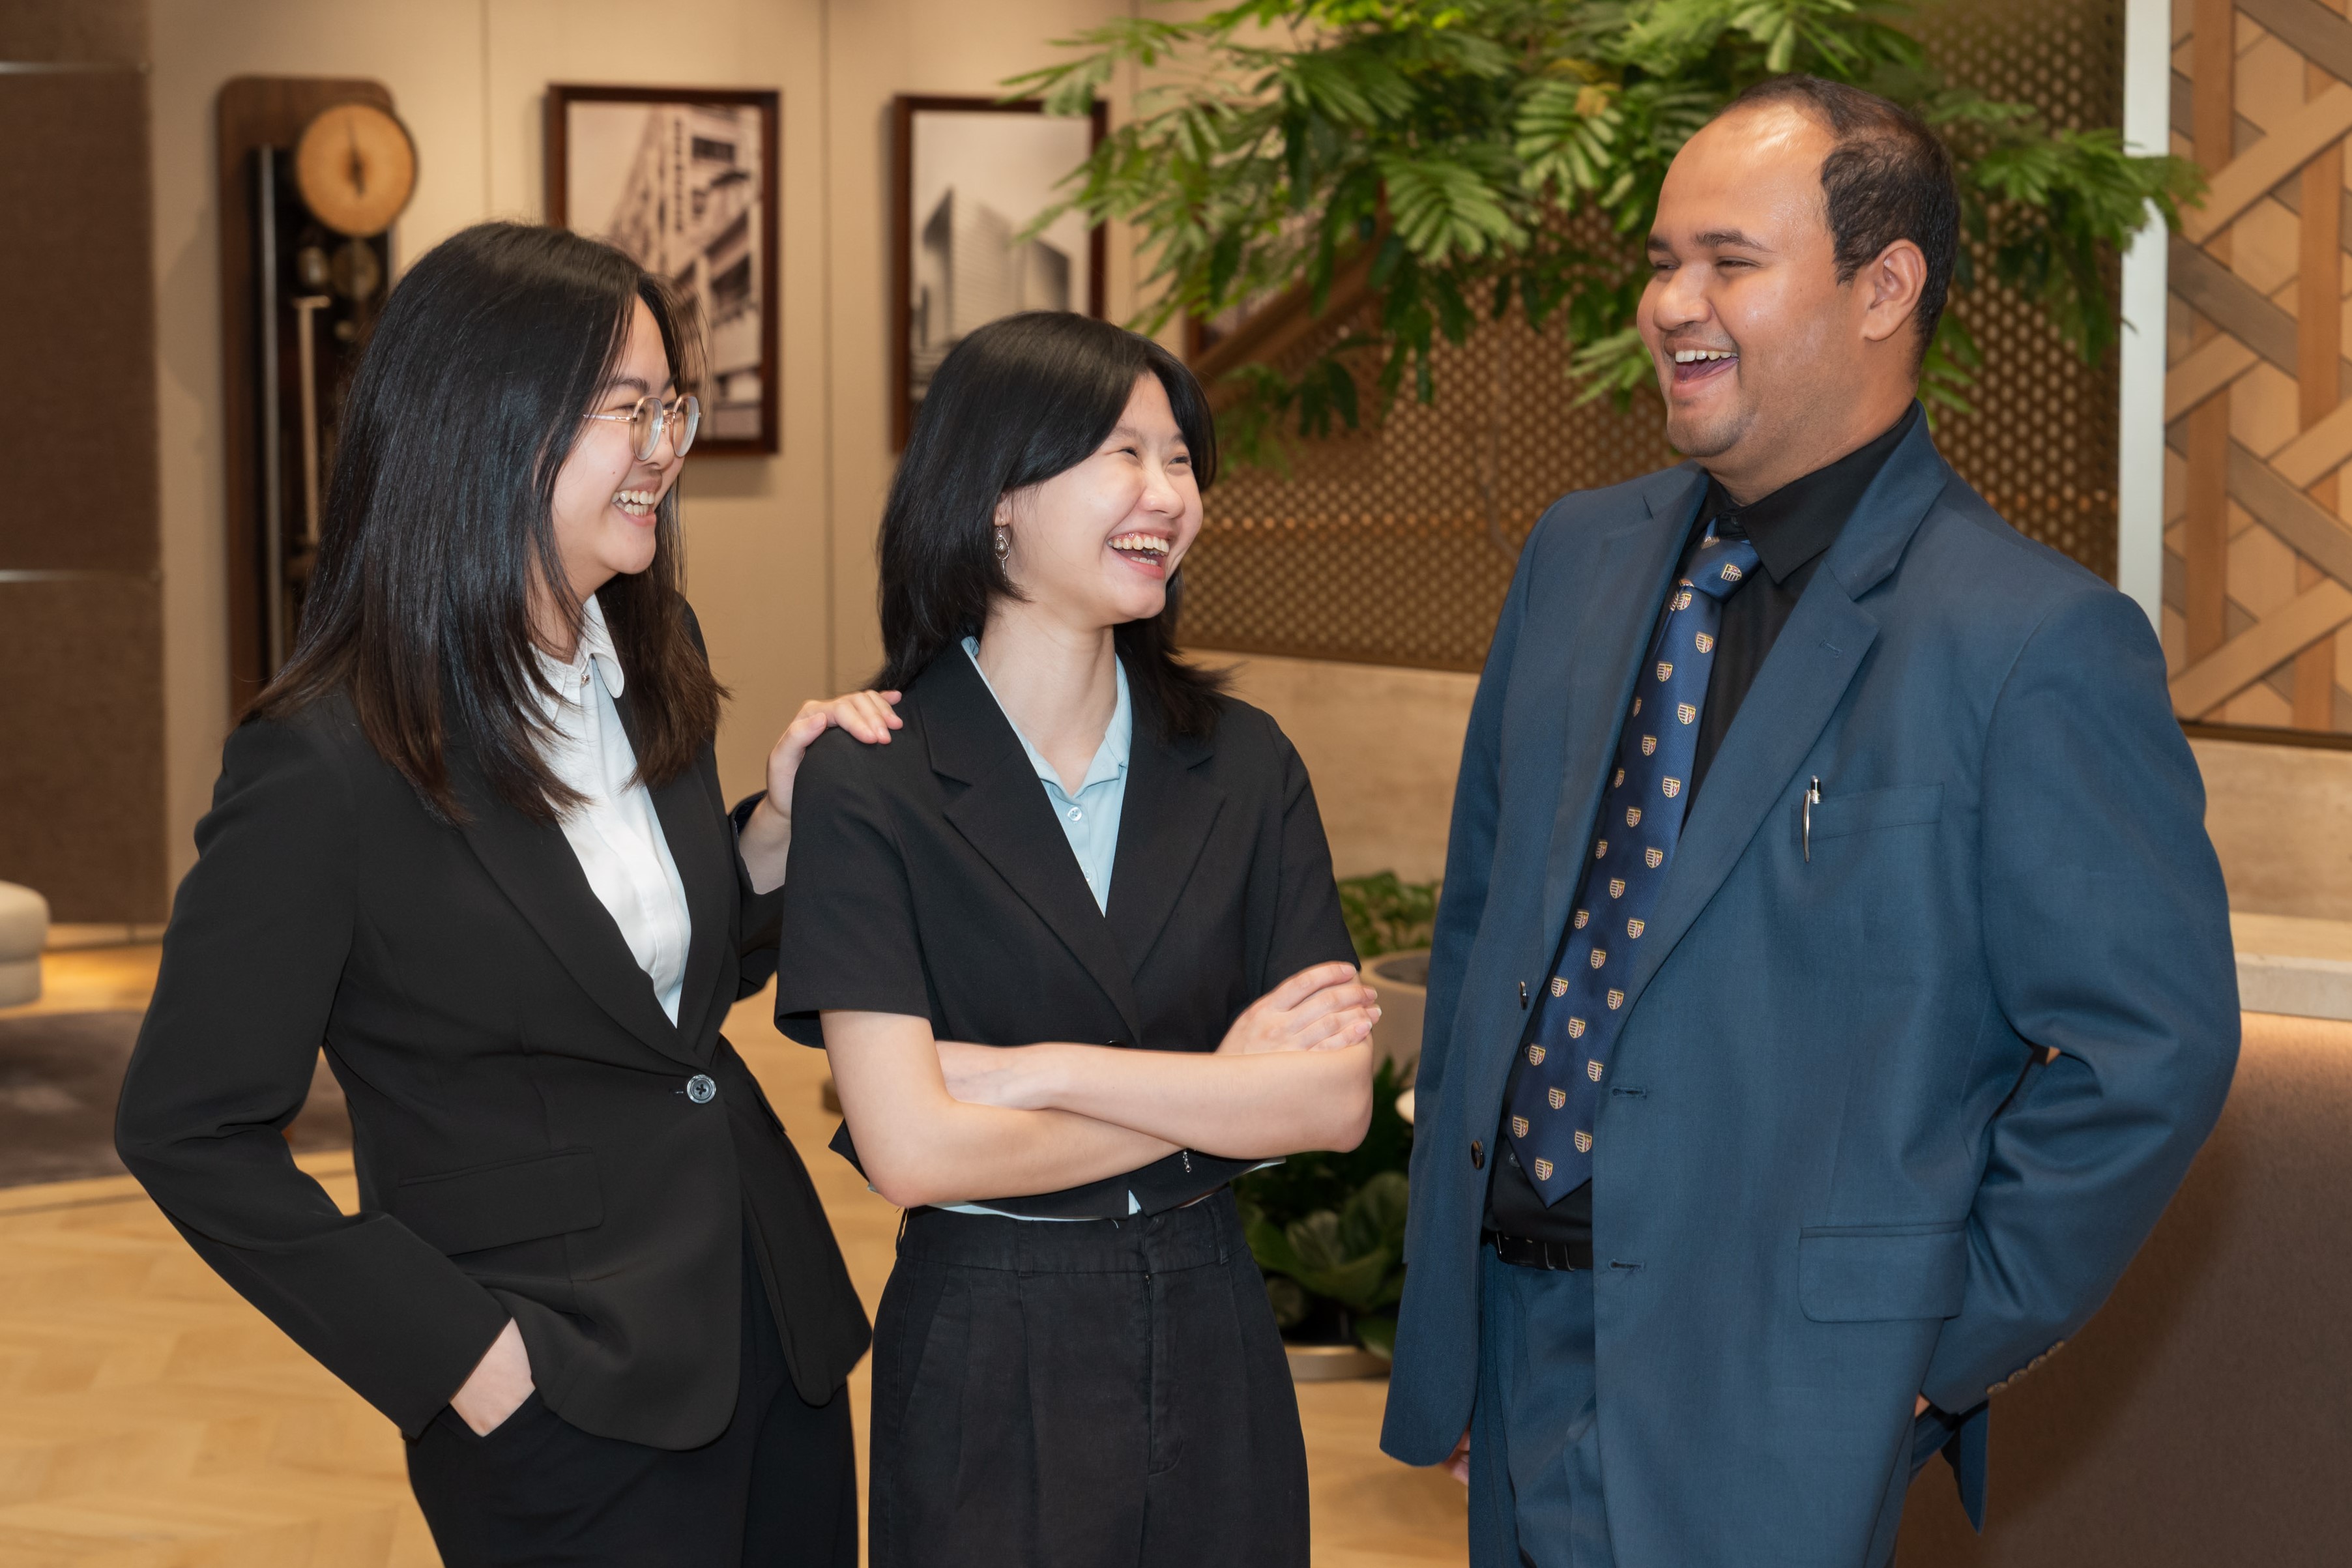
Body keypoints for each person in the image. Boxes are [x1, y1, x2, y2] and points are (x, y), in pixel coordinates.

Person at [1380, 76, 2239, 1567]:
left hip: (1774, 1403)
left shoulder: (2030, 641)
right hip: (1515, 1357)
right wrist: (1452, 1320)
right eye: (1656, 262)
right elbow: (1482, 938)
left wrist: (1908, 1350)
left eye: (1726, 259)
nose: (1668, 303)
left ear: (1880, 286)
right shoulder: (1574, 562)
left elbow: (2142, 1052)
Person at [115, 222, 888, 1567]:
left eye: (670, 407)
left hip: (773, 1330)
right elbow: (187, 1128)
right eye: (625, 408)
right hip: (557, 1388)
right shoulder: (322, 762)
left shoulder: (652, 659)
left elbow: (647, 1006)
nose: (664, 447)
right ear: (486, 422)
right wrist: (458, 1357)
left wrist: (769, 845)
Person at [773, 311, 1382, 1568]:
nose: (1169, 493)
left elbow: (1329, 1103)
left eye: (1181, 458)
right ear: (996, 493)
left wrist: (1027, 1070)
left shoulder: (1244, 759)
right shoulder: (868, 777)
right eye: (1122, 453)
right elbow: (914, 1148)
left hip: (1217, 1330)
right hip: (992, 1348)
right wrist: (1223, 1086)